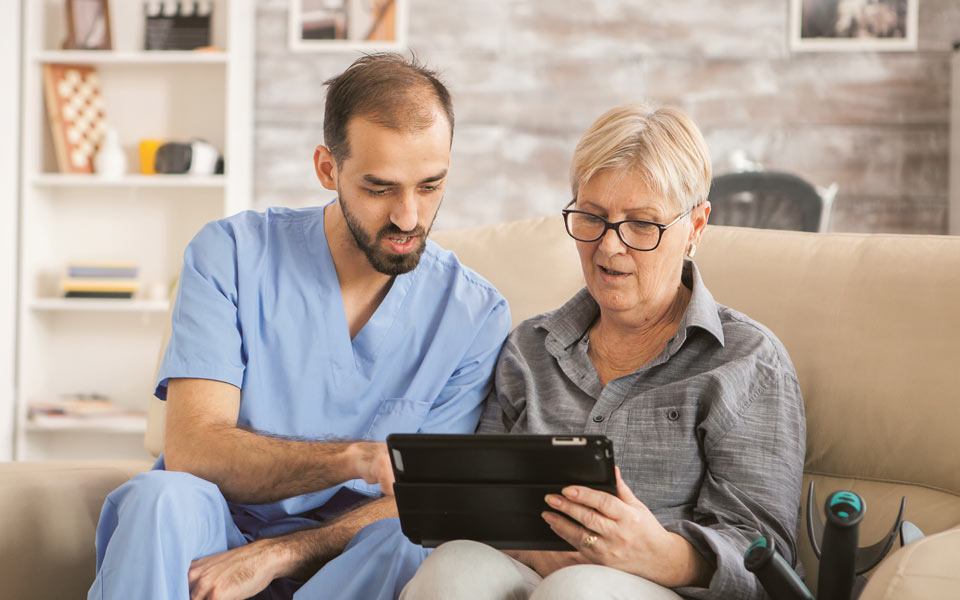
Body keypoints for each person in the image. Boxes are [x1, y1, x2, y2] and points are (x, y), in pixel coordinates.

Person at [88, 53, 511, 600]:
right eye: (381, 188)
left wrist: (282, 553)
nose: (409, 217)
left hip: (347, 561)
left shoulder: (474, 315)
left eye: (430, 186)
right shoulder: (231, 255)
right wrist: (353, 459)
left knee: (409, 540)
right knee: (159, 497)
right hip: (212, 533)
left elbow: (425, 499)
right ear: (327, 169)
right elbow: (195, 450)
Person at [401, 104, 806, 599]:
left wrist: (659, 554)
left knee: (579, 591)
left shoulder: (748, 362)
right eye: (592, 217)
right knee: (454, 569)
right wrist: (532, 549)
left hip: (666, 589)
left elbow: (767, 564)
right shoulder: (528, 350)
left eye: (641, 224)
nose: (610, 247)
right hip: (531, 577)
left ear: (696, 227)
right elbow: (476, 508)